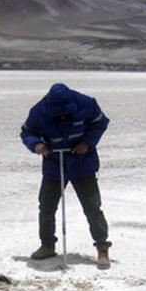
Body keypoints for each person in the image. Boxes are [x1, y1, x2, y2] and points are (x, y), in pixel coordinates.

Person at [20, 83, 112, 269]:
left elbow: (101, 122)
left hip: (82, 162)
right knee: (46, 206)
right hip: (54, 163)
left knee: (92, 206)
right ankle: (47, 245)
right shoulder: (39, 111)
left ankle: (102, 247)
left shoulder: (86, 104)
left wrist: (87, 143)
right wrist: (37, 145)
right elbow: (27, 132)